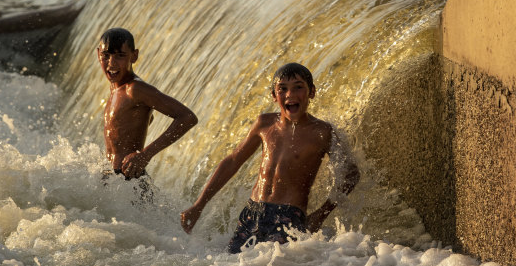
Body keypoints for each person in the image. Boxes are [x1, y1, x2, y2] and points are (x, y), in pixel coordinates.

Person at [180, 63, 359, 253]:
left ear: (312, 92)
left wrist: (321, 214)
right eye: (282, 89)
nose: (290, 95)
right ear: (274, 96)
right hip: (252, 212)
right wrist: (199, 205)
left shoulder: (322, 132)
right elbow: (233, 161)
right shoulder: (264, 124)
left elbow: (351, 174)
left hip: (288, 217)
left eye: (298, 87)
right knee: (232, 263)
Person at [97, 27, 198, 181]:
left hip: (129, 180)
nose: (111, 63)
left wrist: (145, 155)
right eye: (106, 55)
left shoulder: (135, 89)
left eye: (120, 56)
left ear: (134, 56)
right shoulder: (116, 88)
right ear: (98, 54)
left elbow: (188, 117)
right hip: (114, 179)